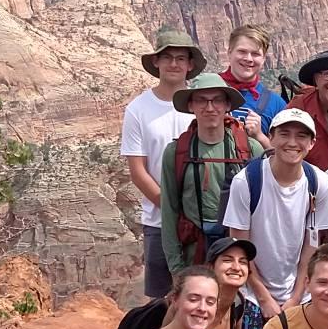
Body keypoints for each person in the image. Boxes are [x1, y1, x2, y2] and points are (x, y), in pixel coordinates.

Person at [222, 107, 328, 316]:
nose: (293, 143)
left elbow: (311, 245)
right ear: (271, 138)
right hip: (251, 292)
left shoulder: (319, 183)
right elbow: (239, 247)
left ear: (312, 143)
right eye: (284, 134)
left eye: (301, 136)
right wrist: (263, 297)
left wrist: (296, 297)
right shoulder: (247, 181)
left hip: (300, 292)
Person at [120, 27, 202, 298]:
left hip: (203, 221)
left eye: (181, 58)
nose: (174, 64)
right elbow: (138, 170)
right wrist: (172, 210)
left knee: (203, 298)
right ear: (156, 62)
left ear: (190, 65)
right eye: (167, 57)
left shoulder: (202, 105)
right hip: (158, 223)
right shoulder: (138, 109)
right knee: (162, 302)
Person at [160, 72, 256, 279]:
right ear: (191, 105)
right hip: (194, 254)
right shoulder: (176, 153)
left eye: (217, 100)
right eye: (201, 100)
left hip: (238, 252)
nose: (210, 107)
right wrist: (177, 269)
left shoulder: (250, 150)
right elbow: (169, 211)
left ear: (227, 105)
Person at [221, 23, 287, 149]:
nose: (248, 59)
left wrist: (259, 136)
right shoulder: (208, 90)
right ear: (229, 52)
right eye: (242, 51)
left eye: (255, 54)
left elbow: (283, 156)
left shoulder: (276, 104)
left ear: (263, 59)